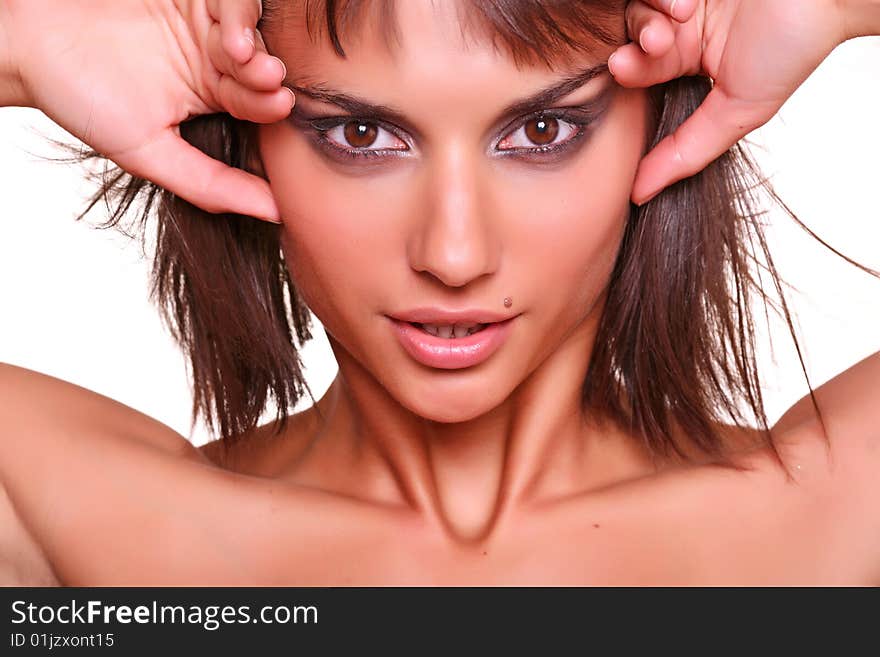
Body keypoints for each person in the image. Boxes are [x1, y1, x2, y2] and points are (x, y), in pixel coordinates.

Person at [0, 0, 878, 585]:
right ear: (245, 136)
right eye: (359, 132)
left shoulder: (831, 522)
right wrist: (35, 36)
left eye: (541, 130)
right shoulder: (95, 534)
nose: (454, 255)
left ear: (662, 121)